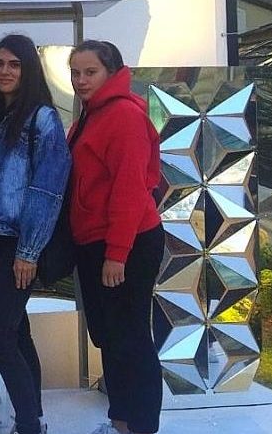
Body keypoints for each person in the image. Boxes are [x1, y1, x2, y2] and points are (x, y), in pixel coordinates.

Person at [67, 40, 165, 434]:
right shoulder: (93, 113)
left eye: (90, 72)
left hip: (127, 243)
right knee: (111, 337)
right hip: (99, 242)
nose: (80, 80)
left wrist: (117, 253)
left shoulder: (122, 115)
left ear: (111, 72)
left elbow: (129, 189)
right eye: (75, 72)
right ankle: (122, 422)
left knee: (131, 339)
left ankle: (141, 427)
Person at [0, 35, 70, 434]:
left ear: (28, 69)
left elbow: (47, 190)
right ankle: (34, 419)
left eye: (14, 64)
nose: (5, 71)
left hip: (18, 244)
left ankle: (30, 424)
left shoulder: (42, 119)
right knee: (16, 332)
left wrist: (29, 251)